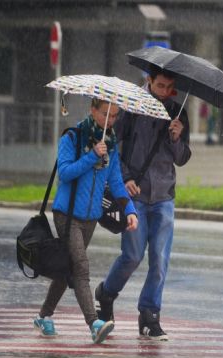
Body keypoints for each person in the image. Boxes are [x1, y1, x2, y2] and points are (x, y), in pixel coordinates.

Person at [95, 66, 191, 341]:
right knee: (132, 256)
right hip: (134, 195)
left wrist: (175, 137)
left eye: (169, 87)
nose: (164, 92)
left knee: (160, 261)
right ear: (149, 81)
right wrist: (124, 179)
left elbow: (183, 157)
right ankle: (106, 293)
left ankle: (149, 316)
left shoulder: (178, 111)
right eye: (160, 85)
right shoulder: (131, 107)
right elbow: (113, 146)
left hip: (163, 198)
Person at [33, 98, 138, 344]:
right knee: (81, 268)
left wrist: (130, 210)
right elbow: (65, 172)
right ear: (92, 110)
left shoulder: (110, 145)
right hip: (67, 215)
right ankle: (94, 323)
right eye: (105, 114)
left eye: (114, 116)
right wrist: (91, 156)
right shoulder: (72, 137)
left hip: (91, 218)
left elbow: (115, 183)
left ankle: (44, 315)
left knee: (66, 268)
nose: (110, 121)